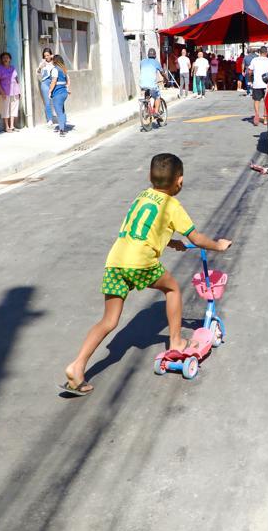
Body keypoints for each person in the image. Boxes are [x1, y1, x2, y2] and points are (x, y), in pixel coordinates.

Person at [59, 153, 232, 396]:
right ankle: (176, 341)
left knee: (108, 321)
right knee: (172, 289)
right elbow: (196, 238)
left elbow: (143, 227)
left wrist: (169, 242)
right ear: (179, 181)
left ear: (150, 177)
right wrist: (219, 245)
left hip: (115, 261)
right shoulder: (173, 206)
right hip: (140, 262)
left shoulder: (142, 195)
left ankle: (77, 366)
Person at [0, 52, 21, 132]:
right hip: (5, 91)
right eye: (4, 58)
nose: (5, 59)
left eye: (7, 58)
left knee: (14, 108)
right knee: (5, 109)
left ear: (10, 59)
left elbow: (16, 80)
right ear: (2, 60)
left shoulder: (12, 68)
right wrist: (1, 92)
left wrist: (19, 91)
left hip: (15, 91)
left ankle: (12, 126)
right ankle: (7, 127)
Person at [250, 46, 268, 126]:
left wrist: (250, 79)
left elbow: (250, 71)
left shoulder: (254, 60)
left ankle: (257, 115)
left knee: (257, 100)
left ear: (259, 52)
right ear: (266, 53)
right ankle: (266, 119)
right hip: (266, 84)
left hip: (257, 83)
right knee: (266, 102)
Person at [49, 55, 71, 134]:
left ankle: (62, 129)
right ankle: (63, 125)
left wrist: (50, 91)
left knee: (59, 112)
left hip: (57, 93)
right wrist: (67, 88)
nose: (51, 61)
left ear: (55, 61)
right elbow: (68, 81)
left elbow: (54, 81)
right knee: (62, 110)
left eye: (52, 60)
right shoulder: (64, 70)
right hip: (64, 93)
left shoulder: (55, 70)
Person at [37, 48, 57, 125]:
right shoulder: (42, 63)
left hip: (54, 82)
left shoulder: (54, 62)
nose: (46, 57)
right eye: (45, 56)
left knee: (56, 100)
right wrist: (40, 67)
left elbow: (60, 64)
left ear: (51, 55)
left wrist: (53, 57)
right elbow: (38, 73)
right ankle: (49, 119)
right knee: (47, 102)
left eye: (48, 55)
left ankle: (59, 116)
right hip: (45, 83)